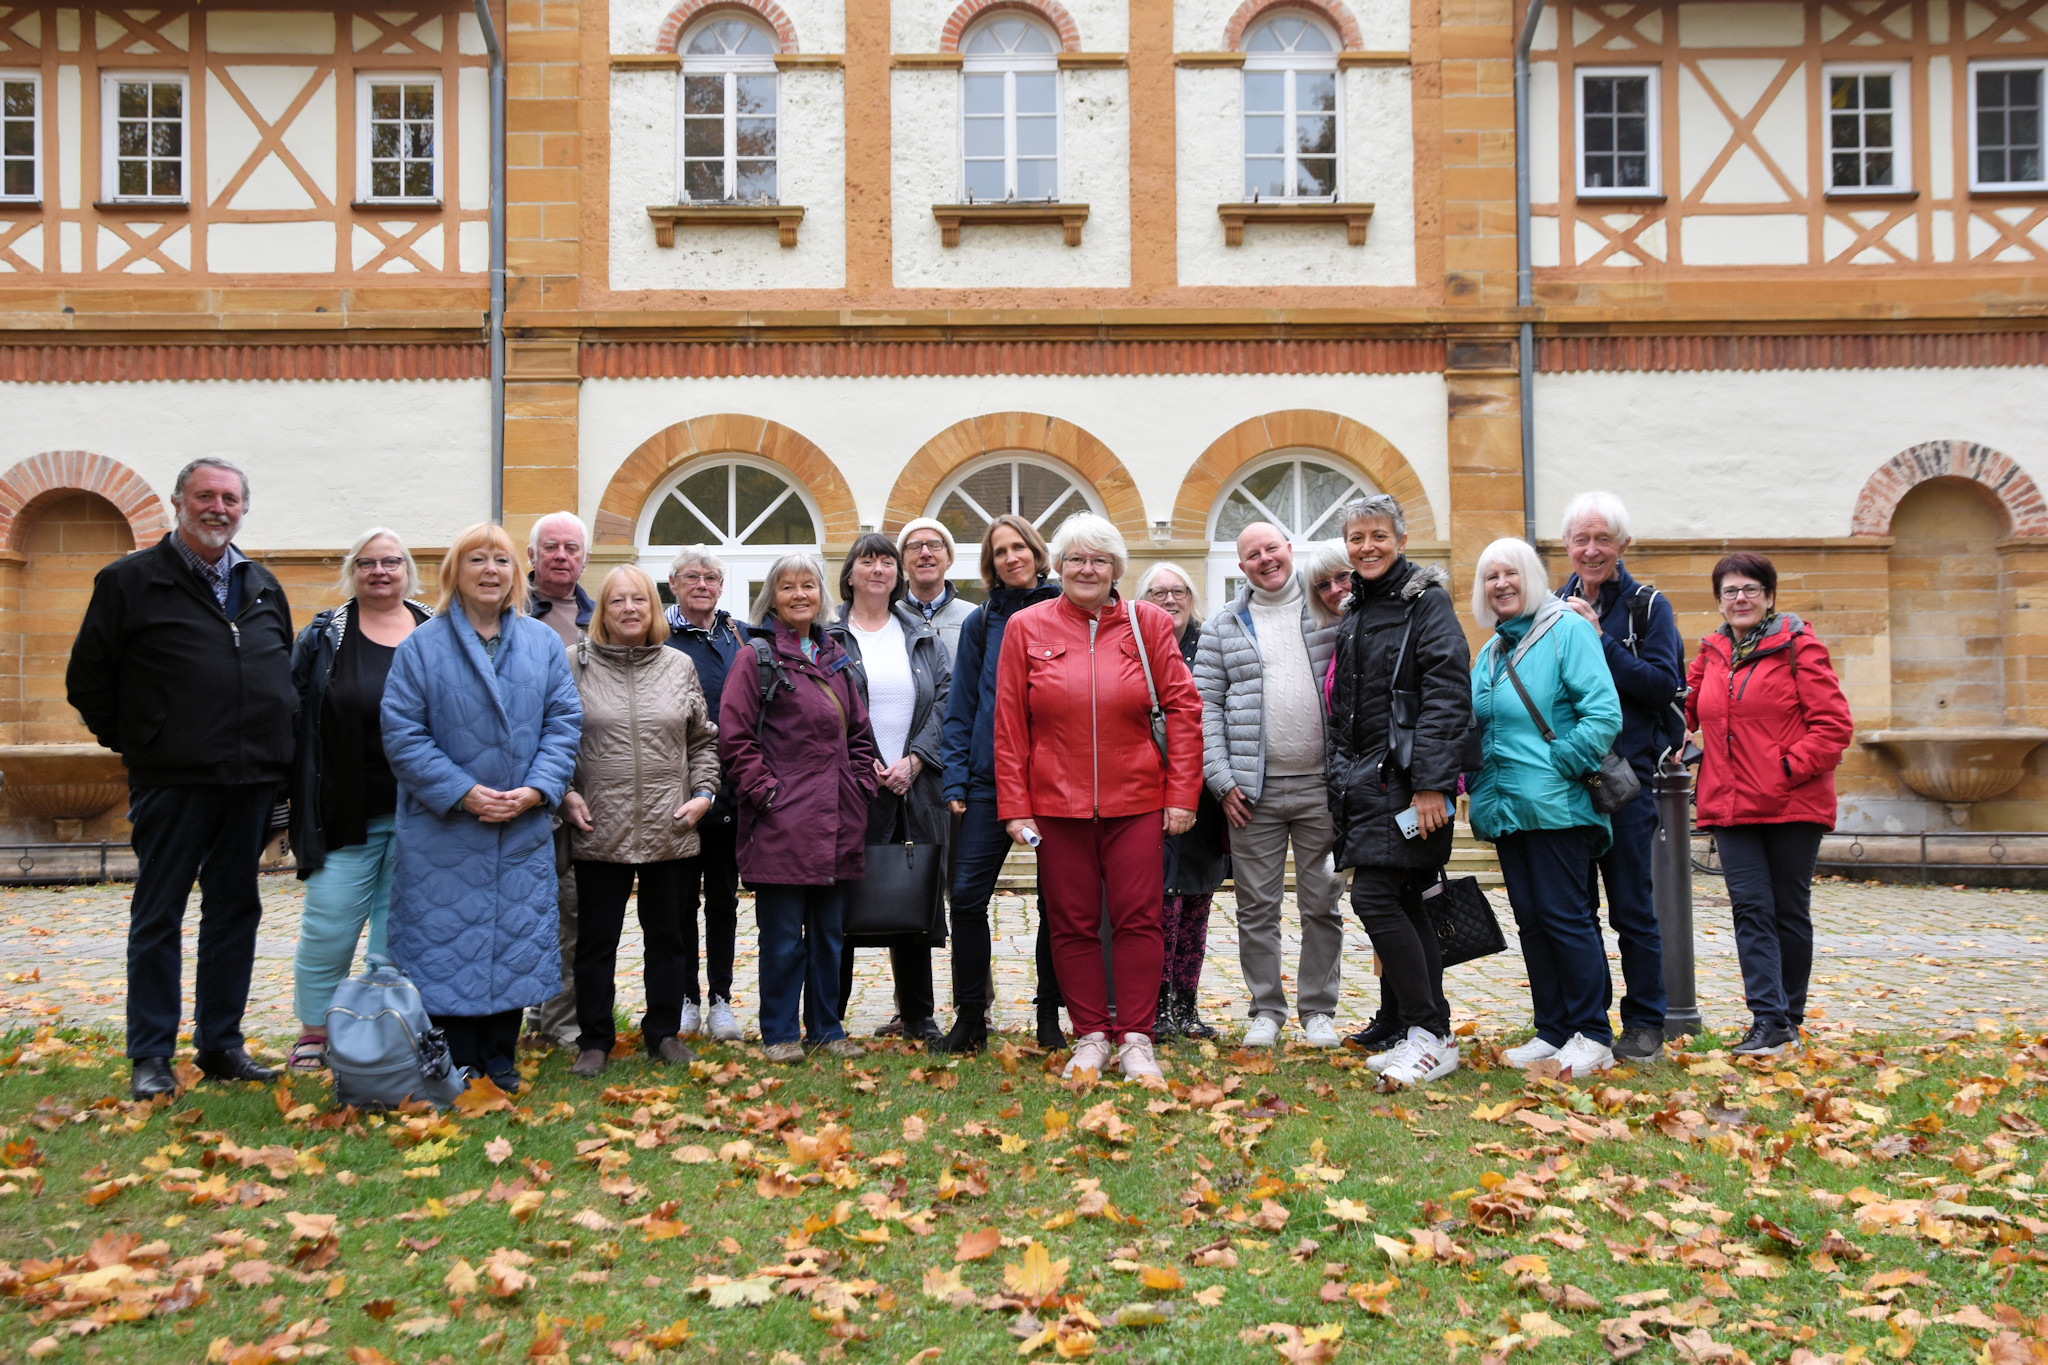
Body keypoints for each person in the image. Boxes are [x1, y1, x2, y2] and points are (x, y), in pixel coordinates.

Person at [68, 457, 296, 1100]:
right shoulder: (128, 582)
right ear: (179, 502)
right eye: (205, 496)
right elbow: (88, 682)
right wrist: (146, 741)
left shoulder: (260, 584)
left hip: (249, 781)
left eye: (229, 498)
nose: (217, 507)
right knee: (158, 912)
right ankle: (150, 1054)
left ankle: (222, 1043)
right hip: (172, 780)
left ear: (243, 508)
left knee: (234, 911)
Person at [995, 514, 1202, 1082]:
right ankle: (1090, 1035)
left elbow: (1184, 710)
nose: (1088, 569)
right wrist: (1015, 805)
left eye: (1101, 560)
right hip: (1056, 806)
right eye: (1077, 559)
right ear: (1057, 565)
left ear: (1116, 569)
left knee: (1140, 919)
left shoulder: (1150, 623)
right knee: (1071, 922)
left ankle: (1136, 1037)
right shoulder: (1026, 627)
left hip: (1137, 799)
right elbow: (1010, 721)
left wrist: (1182, 794)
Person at [382, 522, 582, 1091]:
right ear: (455, 573)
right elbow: (403, 734)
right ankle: (456, 1059)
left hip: (519, 822)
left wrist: (538, 789)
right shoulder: (421, 647)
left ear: (516, 574)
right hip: (445, 827)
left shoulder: (542, 644)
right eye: (476, 560)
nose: (490, 570)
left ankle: (500, 1056)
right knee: (447, 940)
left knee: (513, 939)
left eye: (500, 560)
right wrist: (463, 792)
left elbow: (564, 723)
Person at [1324, 497, 1472, 1086]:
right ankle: (1423, 1031)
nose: (1367, 547)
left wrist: (1434, 784)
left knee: (1376, 899)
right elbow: (1346, 706)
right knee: (1404, 902)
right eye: (1356, 538)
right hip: (1367, 783)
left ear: (1401, 541)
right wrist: (1339, 772)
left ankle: (1431, 1032)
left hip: (1410, 785)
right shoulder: (1359, 608)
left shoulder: (1426, 604)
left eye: (1378, 536)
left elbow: (1445, 694)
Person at [1686, 552, 1853, 1058]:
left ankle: (1789, 1018)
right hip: (1730, 804)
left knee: (1786, 911)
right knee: (1751, 910)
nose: (1740, 599)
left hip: (1790, 804)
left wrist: (1784, 768)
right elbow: (1686, 707)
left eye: (1750, 589)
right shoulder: (1712, 653)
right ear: (1719, 601)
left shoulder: (1799, 647)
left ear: (1769, 596)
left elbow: (1834, 727)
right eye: (1730, 591)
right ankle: (1768, 1020)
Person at [1468, 537, 1624, 1077]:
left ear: (1531, 578)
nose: (1501, 584)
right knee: (1534, 922)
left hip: (1558, 806)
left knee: (1566, 918)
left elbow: (1603, 714)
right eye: (1491, 577)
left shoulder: (1567, 630)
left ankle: (1592, 1033)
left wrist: (1561, 762)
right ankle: (1553, 1029)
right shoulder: (1492, 650)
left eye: (1510, 573)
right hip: (1509, 809)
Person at [560, 566, 721, 1078]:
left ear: (653, 609)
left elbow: (702, 740)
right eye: (617, 601)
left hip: (669, 825)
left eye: (639, 601)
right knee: (595, 941)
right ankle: (594, 1040)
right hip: (597, 826)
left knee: (670, 937)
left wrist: (703, 794)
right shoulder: (574, 665)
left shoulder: (678, 665)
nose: (629, 609)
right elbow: (554, 738)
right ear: (601, 612)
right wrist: (563, 793)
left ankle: (664, 1033)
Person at [717, 553, 879, 1063]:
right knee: (784, 937)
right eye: (788, 587)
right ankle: (781, 1032)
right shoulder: (756, 658)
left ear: (821, 595)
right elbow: (735, 739)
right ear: (773, 597)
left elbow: (860, 735)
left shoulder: (837, 659)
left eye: (808, 586)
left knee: (830, 935)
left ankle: (827, 1029)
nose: (799, 595)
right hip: (780, 823)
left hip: (837, 819)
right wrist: (766, 794)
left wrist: (858, 787)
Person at [284, 528, 431, 1072]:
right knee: (330, 924)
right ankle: (315, 1030)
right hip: (343, 809)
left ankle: (384, 1027)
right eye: (367, 563)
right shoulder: (325, 634)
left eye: (391, 561)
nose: (380, 572)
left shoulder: (434, 630)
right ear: (353, 570)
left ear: (407, 568)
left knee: (398, 935)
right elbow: (293, 717)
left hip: (421, 812)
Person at [1193, 523, 1344, 1049]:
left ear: (1289, 550)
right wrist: (1220, 779)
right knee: (1256, 907)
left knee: (1322, 901)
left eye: (1272, 549)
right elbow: (1204, 706)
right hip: (1250, 794)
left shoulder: (1328, 609)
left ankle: (1319, 1010)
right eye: (1252, 554)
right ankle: (1266, 1010)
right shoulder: (1222, 626)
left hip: (1322, 788)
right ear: (1243, 567)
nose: (1265, 560)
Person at [1555, 492, 1684, 1064]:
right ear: (1567, 546)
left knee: (1632, 908)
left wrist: (1600, 641)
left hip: (1628, 781)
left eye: (1602, 539)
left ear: (1622, 545)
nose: (1590, 550)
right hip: (1570, 781)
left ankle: (1646, 1021)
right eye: (1581, 539)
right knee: (1578, 911)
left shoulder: (1647, 607)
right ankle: (1589, 1025)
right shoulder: (1552, 603)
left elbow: (1663, 686)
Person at [931, 515, 1062, 1055]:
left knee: (1058, 902)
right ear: (990, 563)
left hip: (1054, 782)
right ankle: (970, 1018)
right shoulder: (981, 623)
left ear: (1036, 552)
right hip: (987, 783)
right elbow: (961, 707)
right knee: (965, 899)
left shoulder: (1065, 611)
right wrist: (956, 778)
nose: (1012, 558)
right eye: (1000, 551)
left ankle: (1049, 1015)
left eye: (1020, 547)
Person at [826, 534, 952, 1041]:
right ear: (850, 574)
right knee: (840, 901)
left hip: (913, 787)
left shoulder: (921, 638)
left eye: (885, 560)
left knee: (913, 889)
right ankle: (827, 1017)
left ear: (896, 574)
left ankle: (918, 1016)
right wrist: (867, 764)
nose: (877, 568)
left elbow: (946, 700)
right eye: (866, 560)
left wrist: (916, 759)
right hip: (849, 787)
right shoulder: (828, 637)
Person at [1136, 562, 1226, 1041]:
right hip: (1148, 794)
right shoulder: (1135, 644)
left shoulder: (1211, 647)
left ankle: (1186, 1006)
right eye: (1158, 592)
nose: (1170, 600)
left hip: (1205, 797)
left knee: (1197, 903)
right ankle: (1154, 1007)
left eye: (1179, 591)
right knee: (1158, 906)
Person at [664, 548, 749, 1042]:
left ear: (721, 585)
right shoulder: (660, 634)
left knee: (722, 900)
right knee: (678, 902)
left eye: (711, 577)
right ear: (673, 583)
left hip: (729, 790)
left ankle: (720, 999)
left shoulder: (737, 635)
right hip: (675, 789)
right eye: (692, 576)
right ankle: (685, 999)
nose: (702, 584)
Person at [524, 510, 595, 1048]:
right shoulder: (509, 610)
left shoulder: (599, 616)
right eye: (551, 547)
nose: (561, 556)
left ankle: (559, 1018)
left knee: (571, 912)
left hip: (583, 790)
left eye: (571, 548)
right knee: (522, 909)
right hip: (518, 785)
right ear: (532, 556)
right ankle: (521, 1009)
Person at [896, 518, 978, 658]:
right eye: (914, 546)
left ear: (949, 558)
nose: (925, 553)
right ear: (902, 561)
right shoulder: (888, 618)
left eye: (935, 545)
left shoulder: (974, 617)